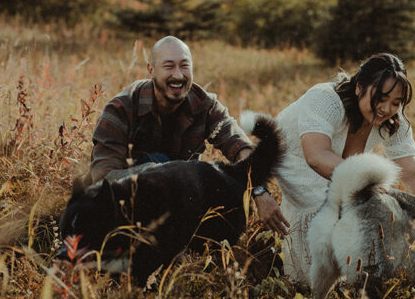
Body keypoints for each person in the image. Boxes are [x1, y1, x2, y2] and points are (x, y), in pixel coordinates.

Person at [265, 52, 415, 286]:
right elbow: (316, 156)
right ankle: (302, 287)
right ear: (359, 87)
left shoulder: (393, 120)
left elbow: (411, 172)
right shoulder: (324, 99)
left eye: (396, 102)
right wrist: (365, 183)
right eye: (380, 98)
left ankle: (359, 288)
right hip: (296, 160)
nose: (387, 109)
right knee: (322, 221)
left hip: (335, 168)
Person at [73, 36, 289, 233]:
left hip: (181, 203)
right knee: (161, 163)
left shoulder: (204, 104)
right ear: (151, 70)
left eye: (184, 66)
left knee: (230, 193)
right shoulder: (121, 109)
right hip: (125, 209)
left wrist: (259, 191)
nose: (178, 75)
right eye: (168, 66)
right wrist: (165, 174)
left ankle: (206, 263)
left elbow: (239, 147)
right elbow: (104, 177)